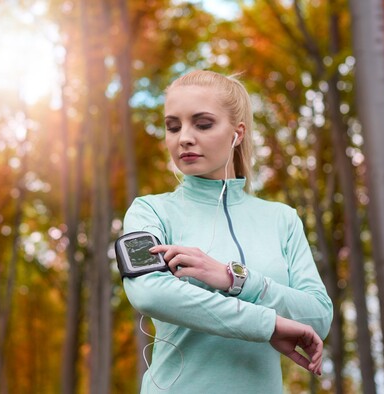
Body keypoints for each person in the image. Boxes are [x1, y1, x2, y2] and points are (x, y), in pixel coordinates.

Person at [121, 70, 333, 393]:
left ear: (238, 132)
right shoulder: (149, 211)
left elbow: (317, 318)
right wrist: (268, 324)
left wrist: (234, 278)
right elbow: (149, 291)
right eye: (173, 126)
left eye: (202, 124)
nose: (184, 138)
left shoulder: (282, 220)